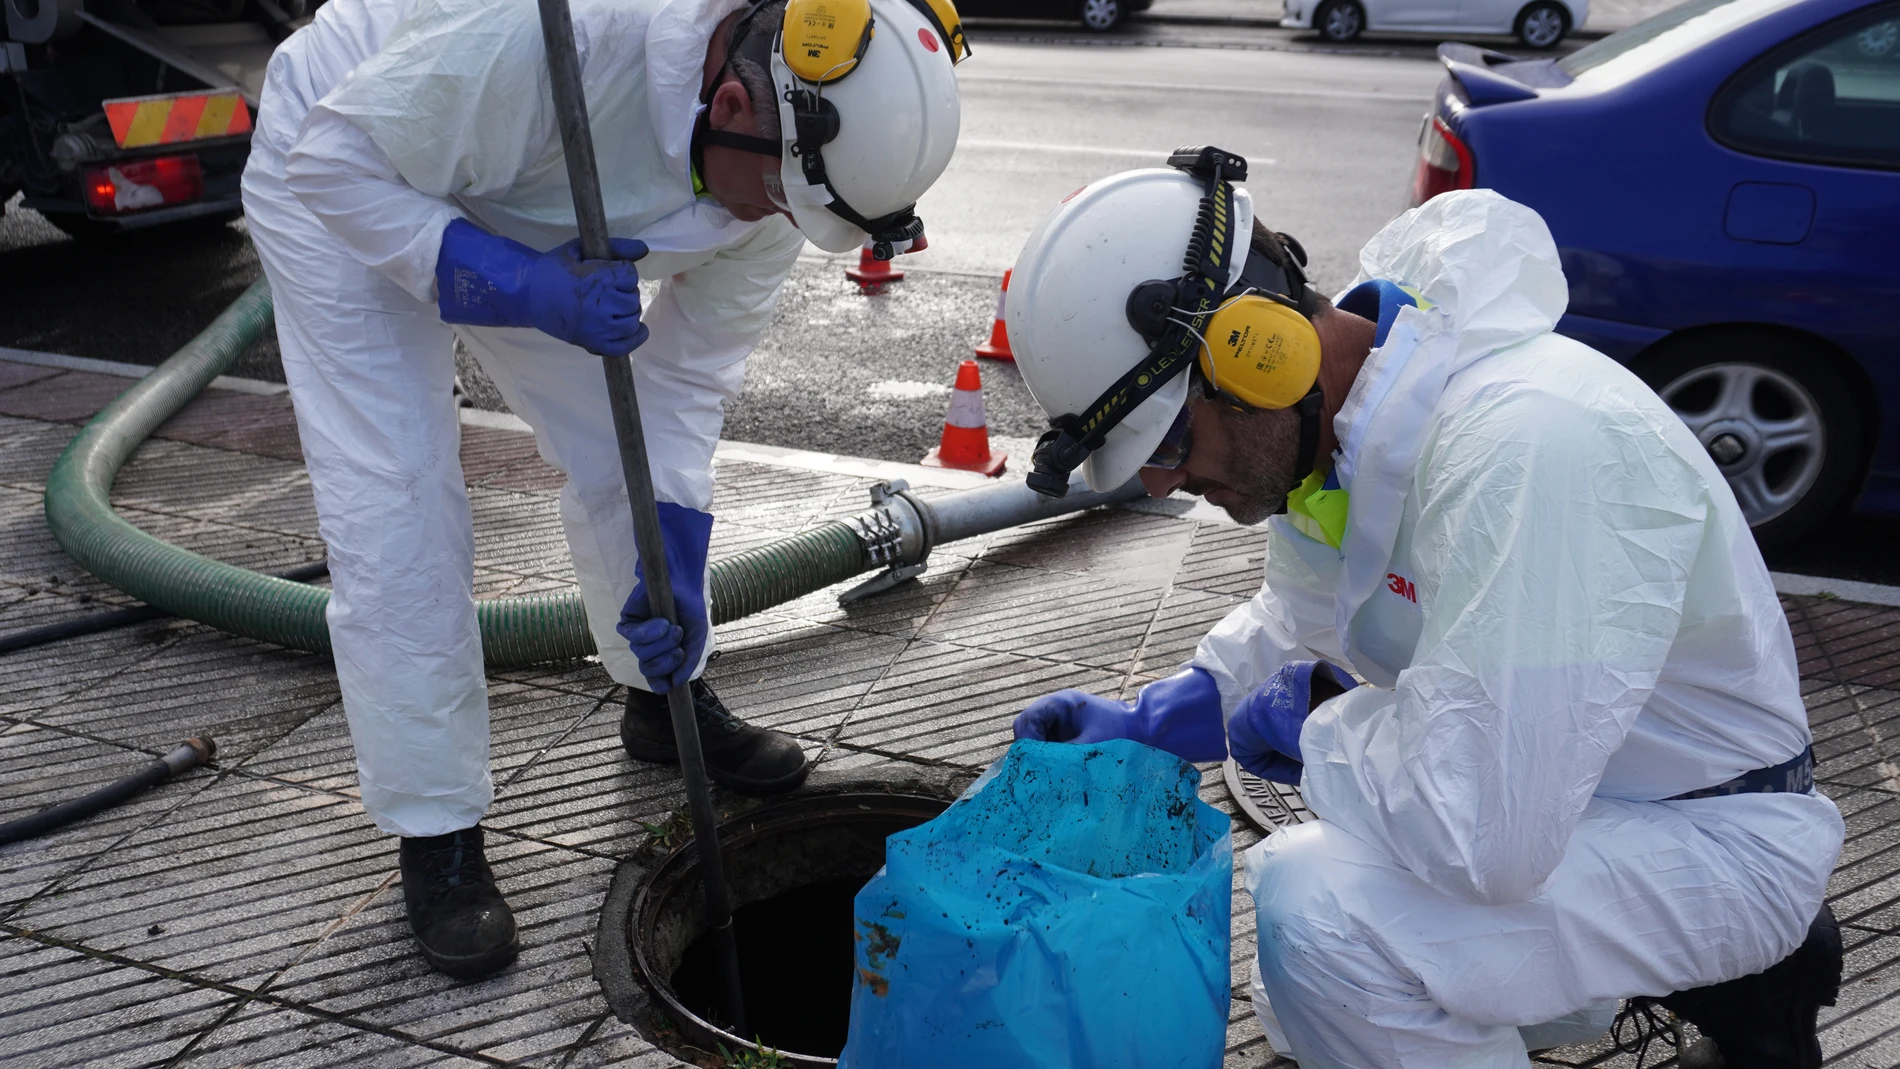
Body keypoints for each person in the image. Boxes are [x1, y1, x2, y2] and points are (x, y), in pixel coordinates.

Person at [1004, 157, 1845, 1068]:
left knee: (1319, 913)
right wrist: (1150, 721)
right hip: (1594, 803)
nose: (1163, 481)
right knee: (1307, 995)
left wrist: (1329, 720)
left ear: (1260, 349)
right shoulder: (1347, 442)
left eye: (1167, 438)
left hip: (1713, 838)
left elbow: (1481, 836)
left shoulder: (1521, 446)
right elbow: (1299, 619)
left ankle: (1761, 973)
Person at [240, 0, 963, 978]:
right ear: (735, 98)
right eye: (779, 202)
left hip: (524, 180)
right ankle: (438, 824)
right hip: (356, 152)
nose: (779, 224)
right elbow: (333, 164)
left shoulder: (794, 158)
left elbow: (682, 382)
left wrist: (672, 550)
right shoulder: (570, 44)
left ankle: (659, 697)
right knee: (400, 495)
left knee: (620, 444)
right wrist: (513, 281)